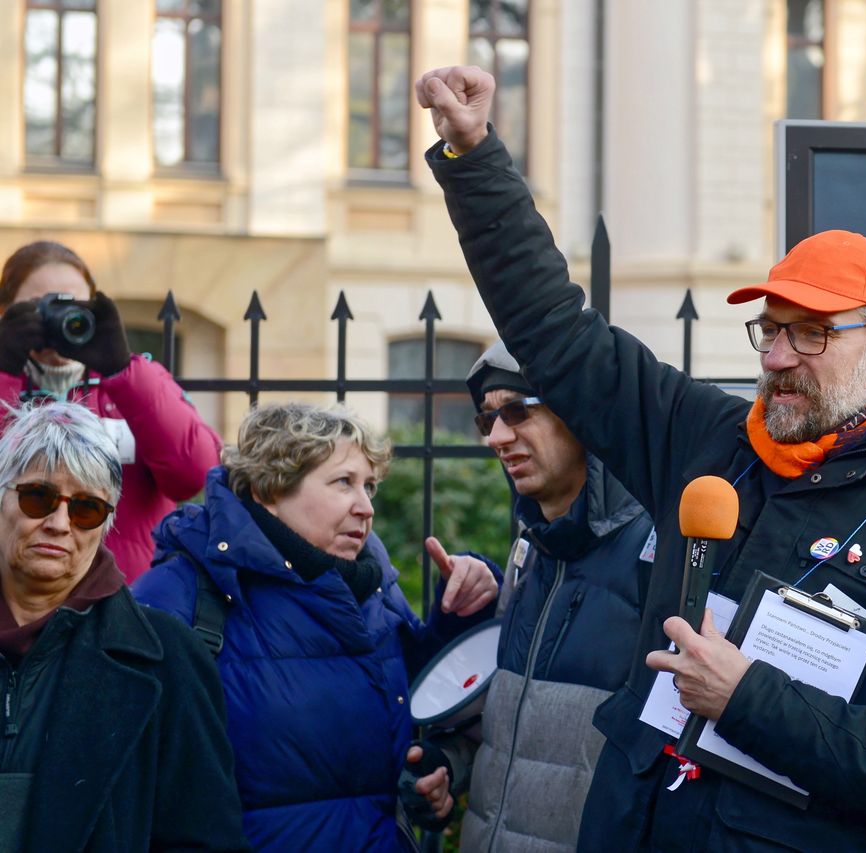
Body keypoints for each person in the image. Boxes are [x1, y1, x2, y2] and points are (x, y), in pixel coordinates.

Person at [415, 66, 866, 850]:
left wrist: (750, 700)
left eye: (810, 332)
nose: (778, 355)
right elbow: (557, 334)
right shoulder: (708, 440)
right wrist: (473, 158)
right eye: (770, 330)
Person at [131, 402, 499, 852]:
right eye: (343, 482)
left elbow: (414, 699)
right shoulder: (180, 593)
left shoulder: (368, 585)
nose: (365, 507)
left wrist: (463, 611)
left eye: (370, 487)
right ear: (270, 488)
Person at [414, 341, 652, 850]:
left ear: (586, 415)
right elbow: (515, 718)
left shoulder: (661, 553)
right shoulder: (532, 548)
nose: (497, 437)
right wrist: (450, 764)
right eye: (487, 420)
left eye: (518, 411)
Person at [0, 401, 246, 851]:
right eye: (37, 497)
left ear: (106, 523)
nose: (58, 524)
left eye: (86, 509)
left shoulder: (167, 658)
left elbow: (204, 839)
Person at [0, 241, 221, 581]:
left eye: (71, 306)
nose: (57, 318)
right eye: (39, 308)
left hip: (125, 601)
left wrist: (122, 371)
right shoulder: (6, 380)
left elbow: (193, 475)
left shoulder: (134, 384)